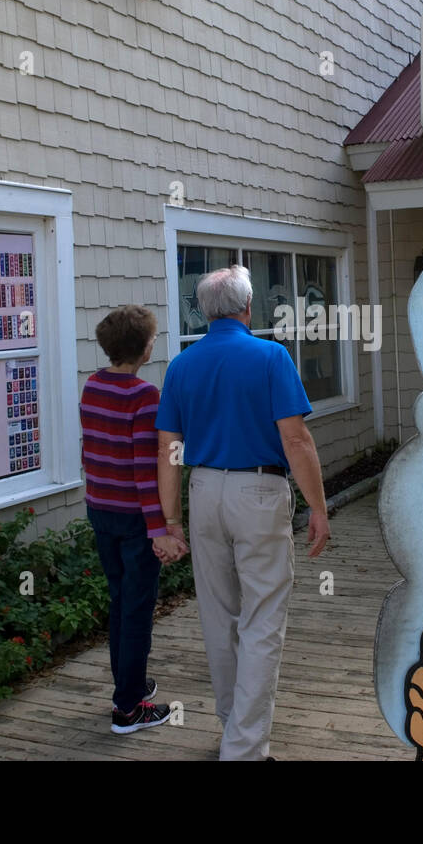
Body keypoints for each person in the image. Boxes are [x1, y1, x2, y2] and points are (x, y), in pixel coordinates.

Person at [156, 264, 331, 761]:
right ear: (247, 307)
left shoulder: (181, 366)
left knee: (218, 617)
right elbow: (296, 439)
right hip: (259, 490)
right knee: (261, 620)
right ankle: (245, 748)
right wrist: (317, 506)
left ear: (204, 311)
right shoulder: (271, 356)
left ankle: (234, 727)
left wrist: (170, 519)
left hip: (204, 488)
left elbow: (169, 447)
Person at [80, 305, 188, 734]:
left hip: (100, 510)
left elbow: (93, 450)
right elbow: (148, 472)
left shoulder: (92, 386)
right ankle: (129, 707)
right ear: (145, 349)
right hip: (133, 518)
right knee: (138, 608)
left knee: (119, 600)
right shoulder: (145, 398)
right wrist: (159, 529)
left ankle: (130, 682)